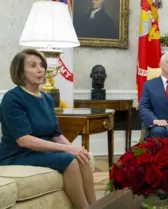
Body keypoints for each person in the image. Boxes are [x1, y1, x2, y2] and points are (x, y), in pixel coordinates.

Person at [0, 49, 96, 209]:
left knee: (82, 157)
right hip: (16, 153)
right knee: (70, 161)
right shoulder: (12, 98)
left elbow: (55, 133)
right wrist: (67, 150)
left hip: (39, 151)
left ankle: (97, 205)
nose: (40, 69)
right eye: (33, 65)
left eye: (42, 65)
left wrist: (74, 149)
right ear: (21, 72)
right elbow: (24, 140)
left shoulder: (46, 98)